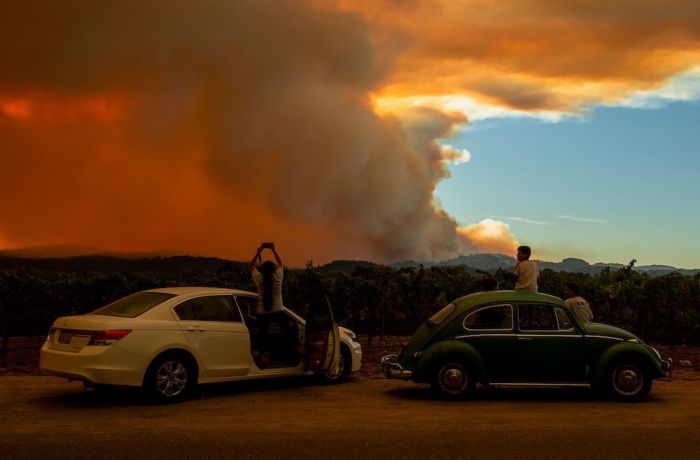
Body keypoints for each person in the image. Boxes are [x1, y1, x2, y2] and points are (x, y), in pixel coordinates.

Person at [249, 242, 284, 314]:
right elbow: (280, 263)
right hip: (277, 312)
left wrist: (258, 253)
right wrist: (273, 250)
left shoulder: (259, 278)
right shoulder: (277, 277)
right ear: (273, 269)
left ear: (262, 270)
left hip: (262, 313)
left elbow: (251, 265)